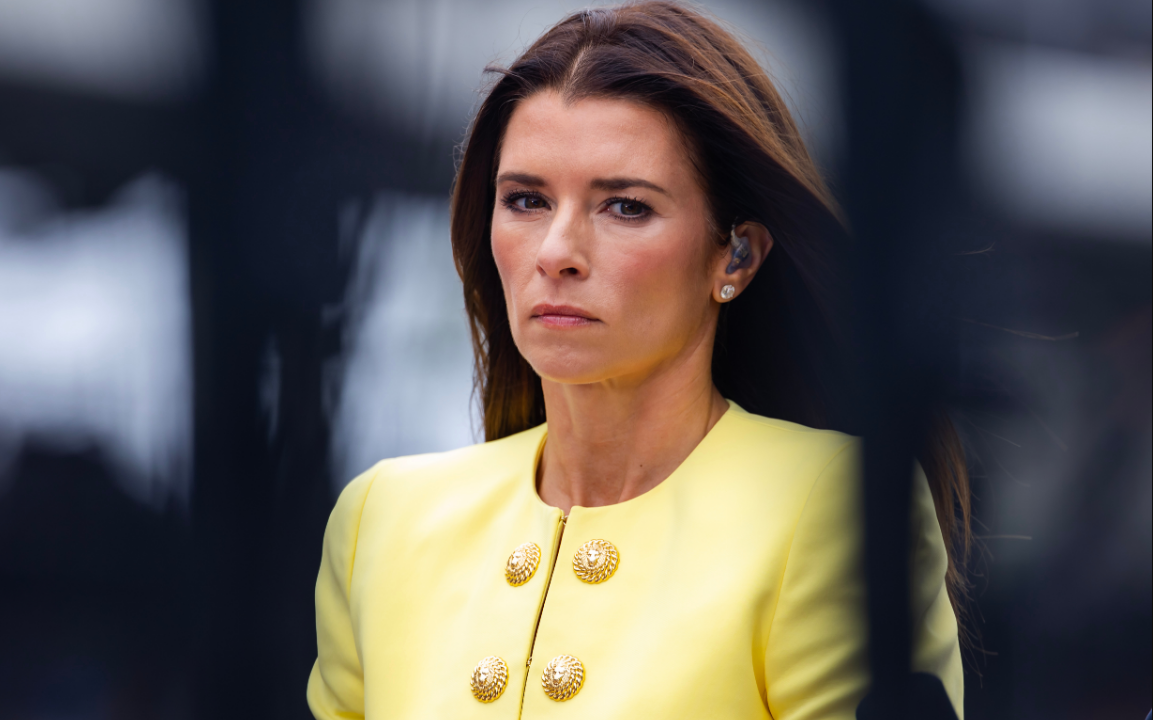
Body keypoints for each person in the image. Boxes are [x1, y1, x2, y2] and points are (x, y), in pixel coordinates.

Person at [308, 2, 969, 718]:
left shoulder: (838, 506)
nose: (557, 253)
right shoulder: (382, 520)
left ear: (736, 254)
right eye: (526, 199)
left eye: (624, 207)